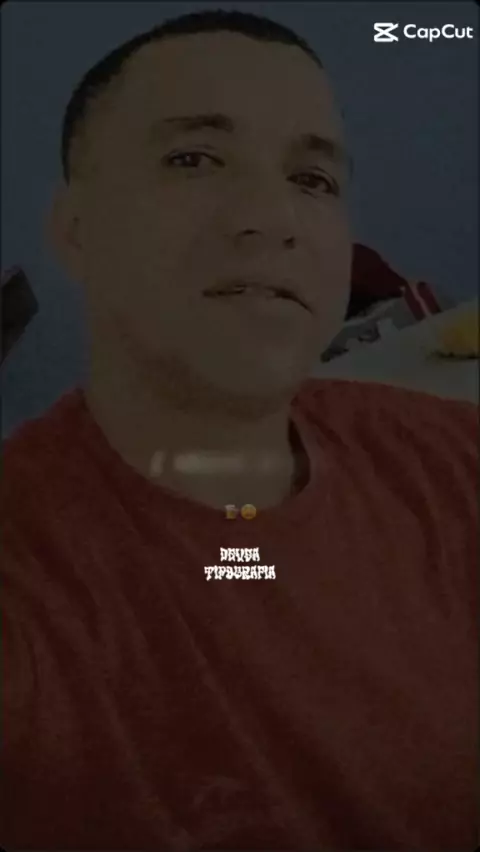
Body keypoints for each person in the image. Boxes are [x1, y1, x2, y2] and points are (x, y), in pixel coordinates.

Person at [1, 9, 478, 851]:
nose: (273, 214)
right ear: (76, 231)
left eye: (313, 179)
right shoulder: (31, 583)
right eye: (192, 158)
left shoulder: (452, 453)